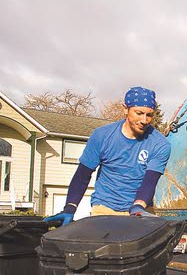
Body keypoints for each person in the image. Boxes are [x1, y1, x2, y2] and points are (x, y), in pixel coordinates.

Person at [45, 86, 171, 226]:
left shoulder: (160, 144)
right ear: (125, 109)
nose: (144, 120)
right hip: (104, 208)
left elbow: (150, 180)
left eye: (149, 115)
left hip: (140, 209)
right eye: (139, 113)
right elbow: (83, 175)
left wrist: (138, 207)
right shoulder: (102, 136)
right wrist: (70, 207)